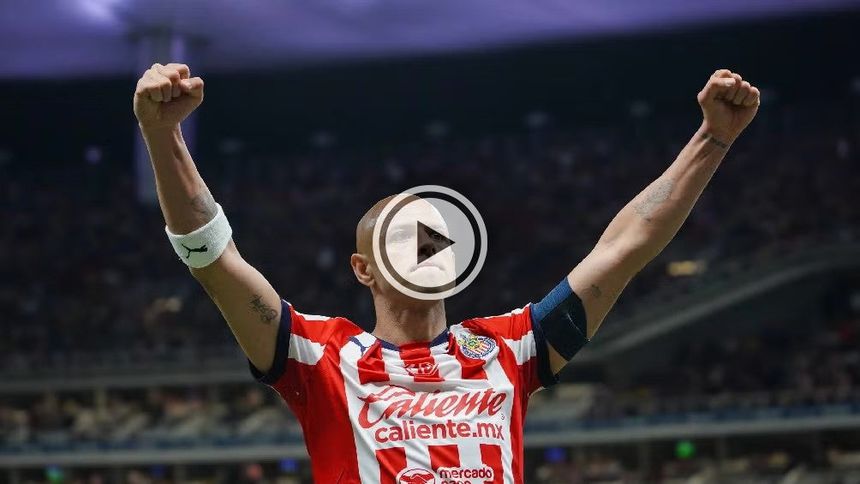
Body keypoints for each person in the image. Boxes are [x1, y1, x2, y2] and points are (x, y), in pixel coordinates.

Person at [133, 63, 760, 483]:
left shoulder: (510, 347)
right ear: (363, 268)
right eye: (404, 236)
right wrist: (163, 136)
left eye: (437, 237)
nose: (426, 247)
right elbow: (214, 259)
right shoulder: (318, 356)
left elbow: (624, 248)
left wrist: (712, 139)